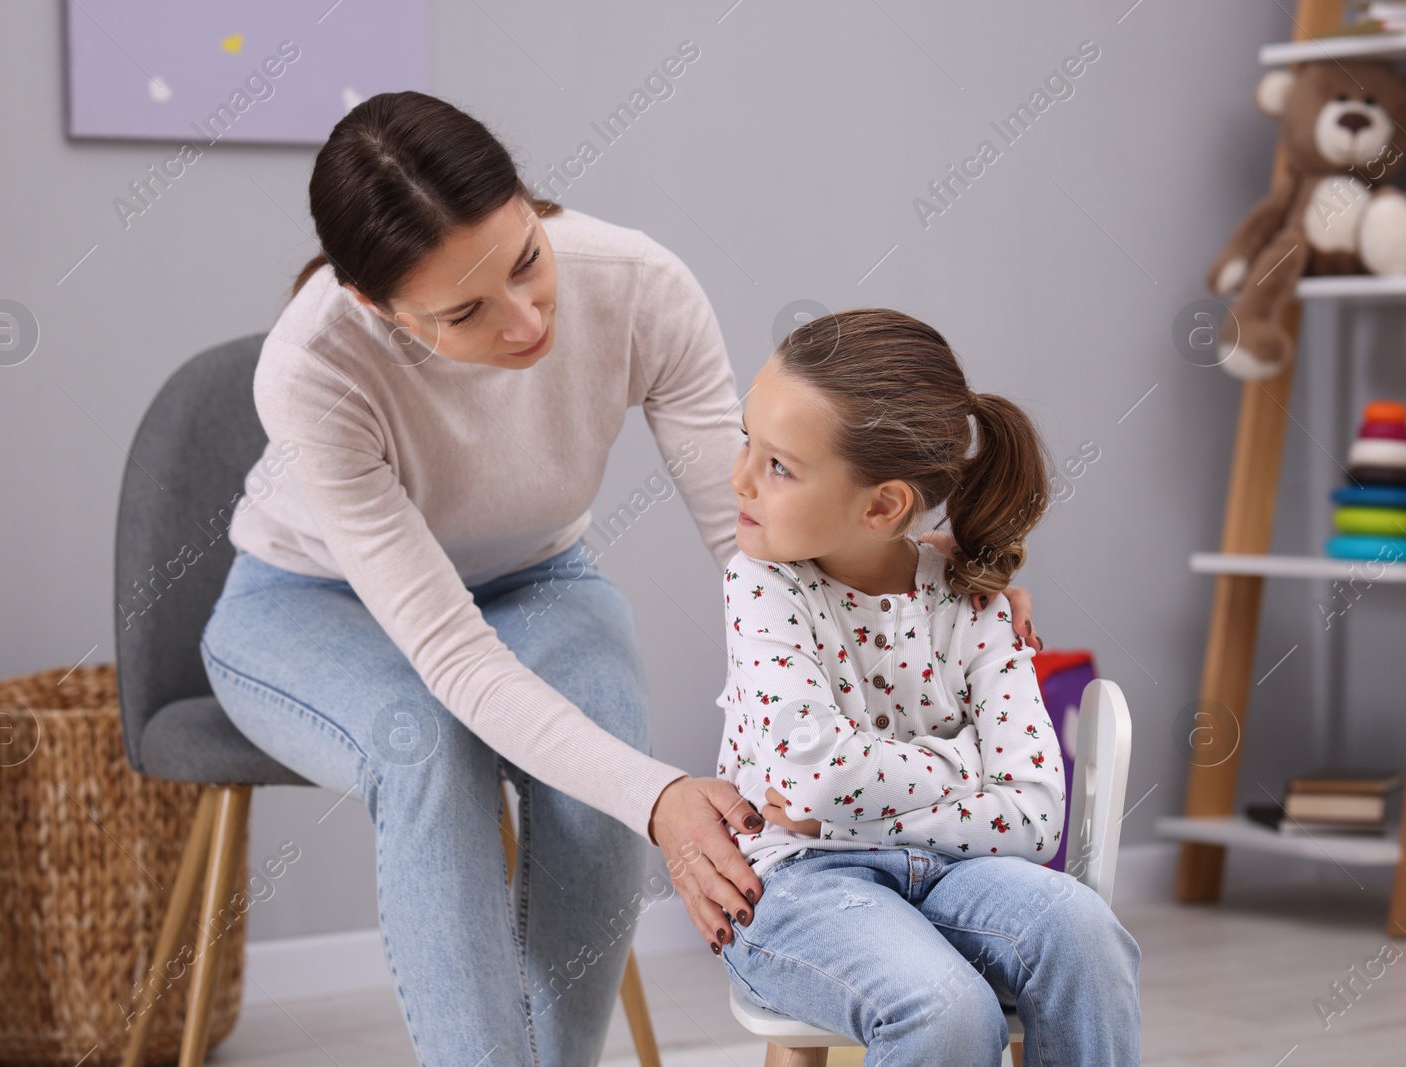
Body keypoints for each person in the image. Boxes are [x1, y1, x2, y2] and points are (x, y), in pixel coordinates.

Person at [200, 90, 1041, 1065]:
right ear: (374, 307)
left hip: (535, 574)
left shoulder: (638, 283)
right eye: (465, 310)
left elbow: (757, 534)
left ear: (529, 202)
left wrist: (921, 596)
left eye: (527, 261)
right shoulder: (314, 367)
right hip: (304, 602)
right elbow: (451, 660)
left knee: (598, 752)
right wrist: (661, 800)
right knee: (427, 747)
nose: (524, 321)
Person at [715, 307, 1141, 1066]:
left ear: (882, 506)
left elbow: (1038, 813)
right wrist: (970, 770)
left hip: (958, 872)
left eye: (777, 465)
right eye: (749, 441)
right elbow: (811, 779)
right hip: (801, 879)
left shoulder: (972, 597)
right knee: (945, 1010)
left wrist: (850, 814)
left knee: (1086, 935)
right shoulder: (761, 585)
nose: (739, 477)